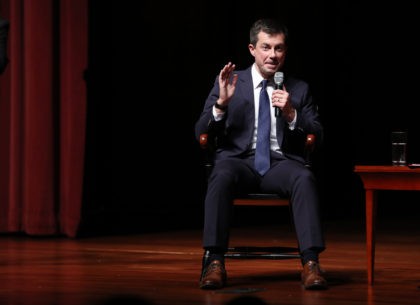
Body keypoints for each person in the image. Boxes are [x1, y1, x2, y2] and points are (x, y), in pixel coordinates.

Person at [194, 18, 327, 290]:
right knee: (220, 173)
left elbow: (318, 134)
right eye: (266, 47)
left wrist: (292, 114)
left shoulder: (298, 88)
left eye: (279, 49)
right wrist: (221, 104)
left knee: (303, 177)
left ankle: (311, 263)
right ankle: (215, 262)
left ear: (285, 52)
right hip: (239, 163)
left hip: (280, 164)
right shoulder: (231, 81)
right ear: (252, 49)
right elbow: (200, 131)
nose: (272, 55)